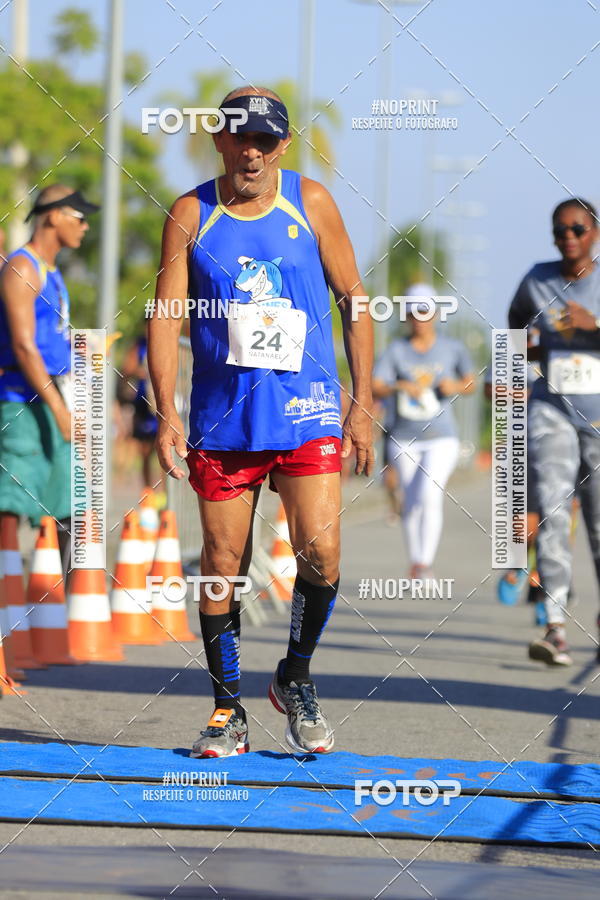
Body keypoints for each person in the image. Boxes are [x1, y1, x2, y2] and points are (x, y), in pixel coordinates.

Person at [148, 86, 374, 757]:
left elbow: (354, 299)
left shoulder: (312, 202)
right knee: (222, 562)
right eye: (240, 138)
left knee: (321, 553)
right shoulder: (192, 212)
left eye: (265, 141)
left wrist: (362, 401)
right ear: (219, 139)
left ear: (283, 145)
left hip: (307, 410)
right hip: (225, 421)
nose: (252, 153)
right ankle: (228, 710)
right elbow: (166, 315)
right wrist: (166, 411)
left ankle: (294, 676)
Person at [509, 197, 600, 666]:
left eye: (577, 229)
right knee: (553, 512)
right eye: (560, 230)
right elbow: (513, 330)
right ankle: (555, 626)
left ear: (595, 233)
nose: (568, 237)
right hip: (552, 410)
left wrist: (594, 326)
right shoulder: (537, 280)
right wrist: (525, 357)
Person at [0, 185, 98, 575]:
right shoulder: (23, 268)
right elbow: (24, 347)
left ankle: (60, 604)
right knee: (11, 504)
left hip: (52, 397)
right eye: (80, 217)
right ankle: (7, 599)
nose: (85, 226)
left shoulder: (51, 271)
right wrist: (60, 409)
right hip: (21, 403)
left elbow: (49, 341)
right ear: (54, 216)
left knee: (71, 503)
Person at [372, 289, 476, 578]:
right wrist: (399, 386)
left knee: (430, 494)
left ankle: (425, 563)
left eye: (425, 311)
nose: (419, 318)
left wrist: (455, 386)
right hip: (404, 437)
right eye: (414, 312)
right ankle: (416, 562)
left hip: (442, 437)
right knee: (411, 500)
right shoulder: (396, 350)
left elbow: (471, 383)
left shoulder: (452, 348)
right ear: (406, 316)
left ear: (435, 314)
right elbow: (375, 385)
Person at [121, 328, 162, 493]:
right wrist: (140, 371)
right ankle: (148, 492)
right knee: (145, 451)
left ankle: (165, 495)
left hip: (161, 404)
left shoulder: (165, 341)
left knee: (163, 449)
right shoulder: (139, 345)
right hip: (143, 404)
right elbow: (126, 369)